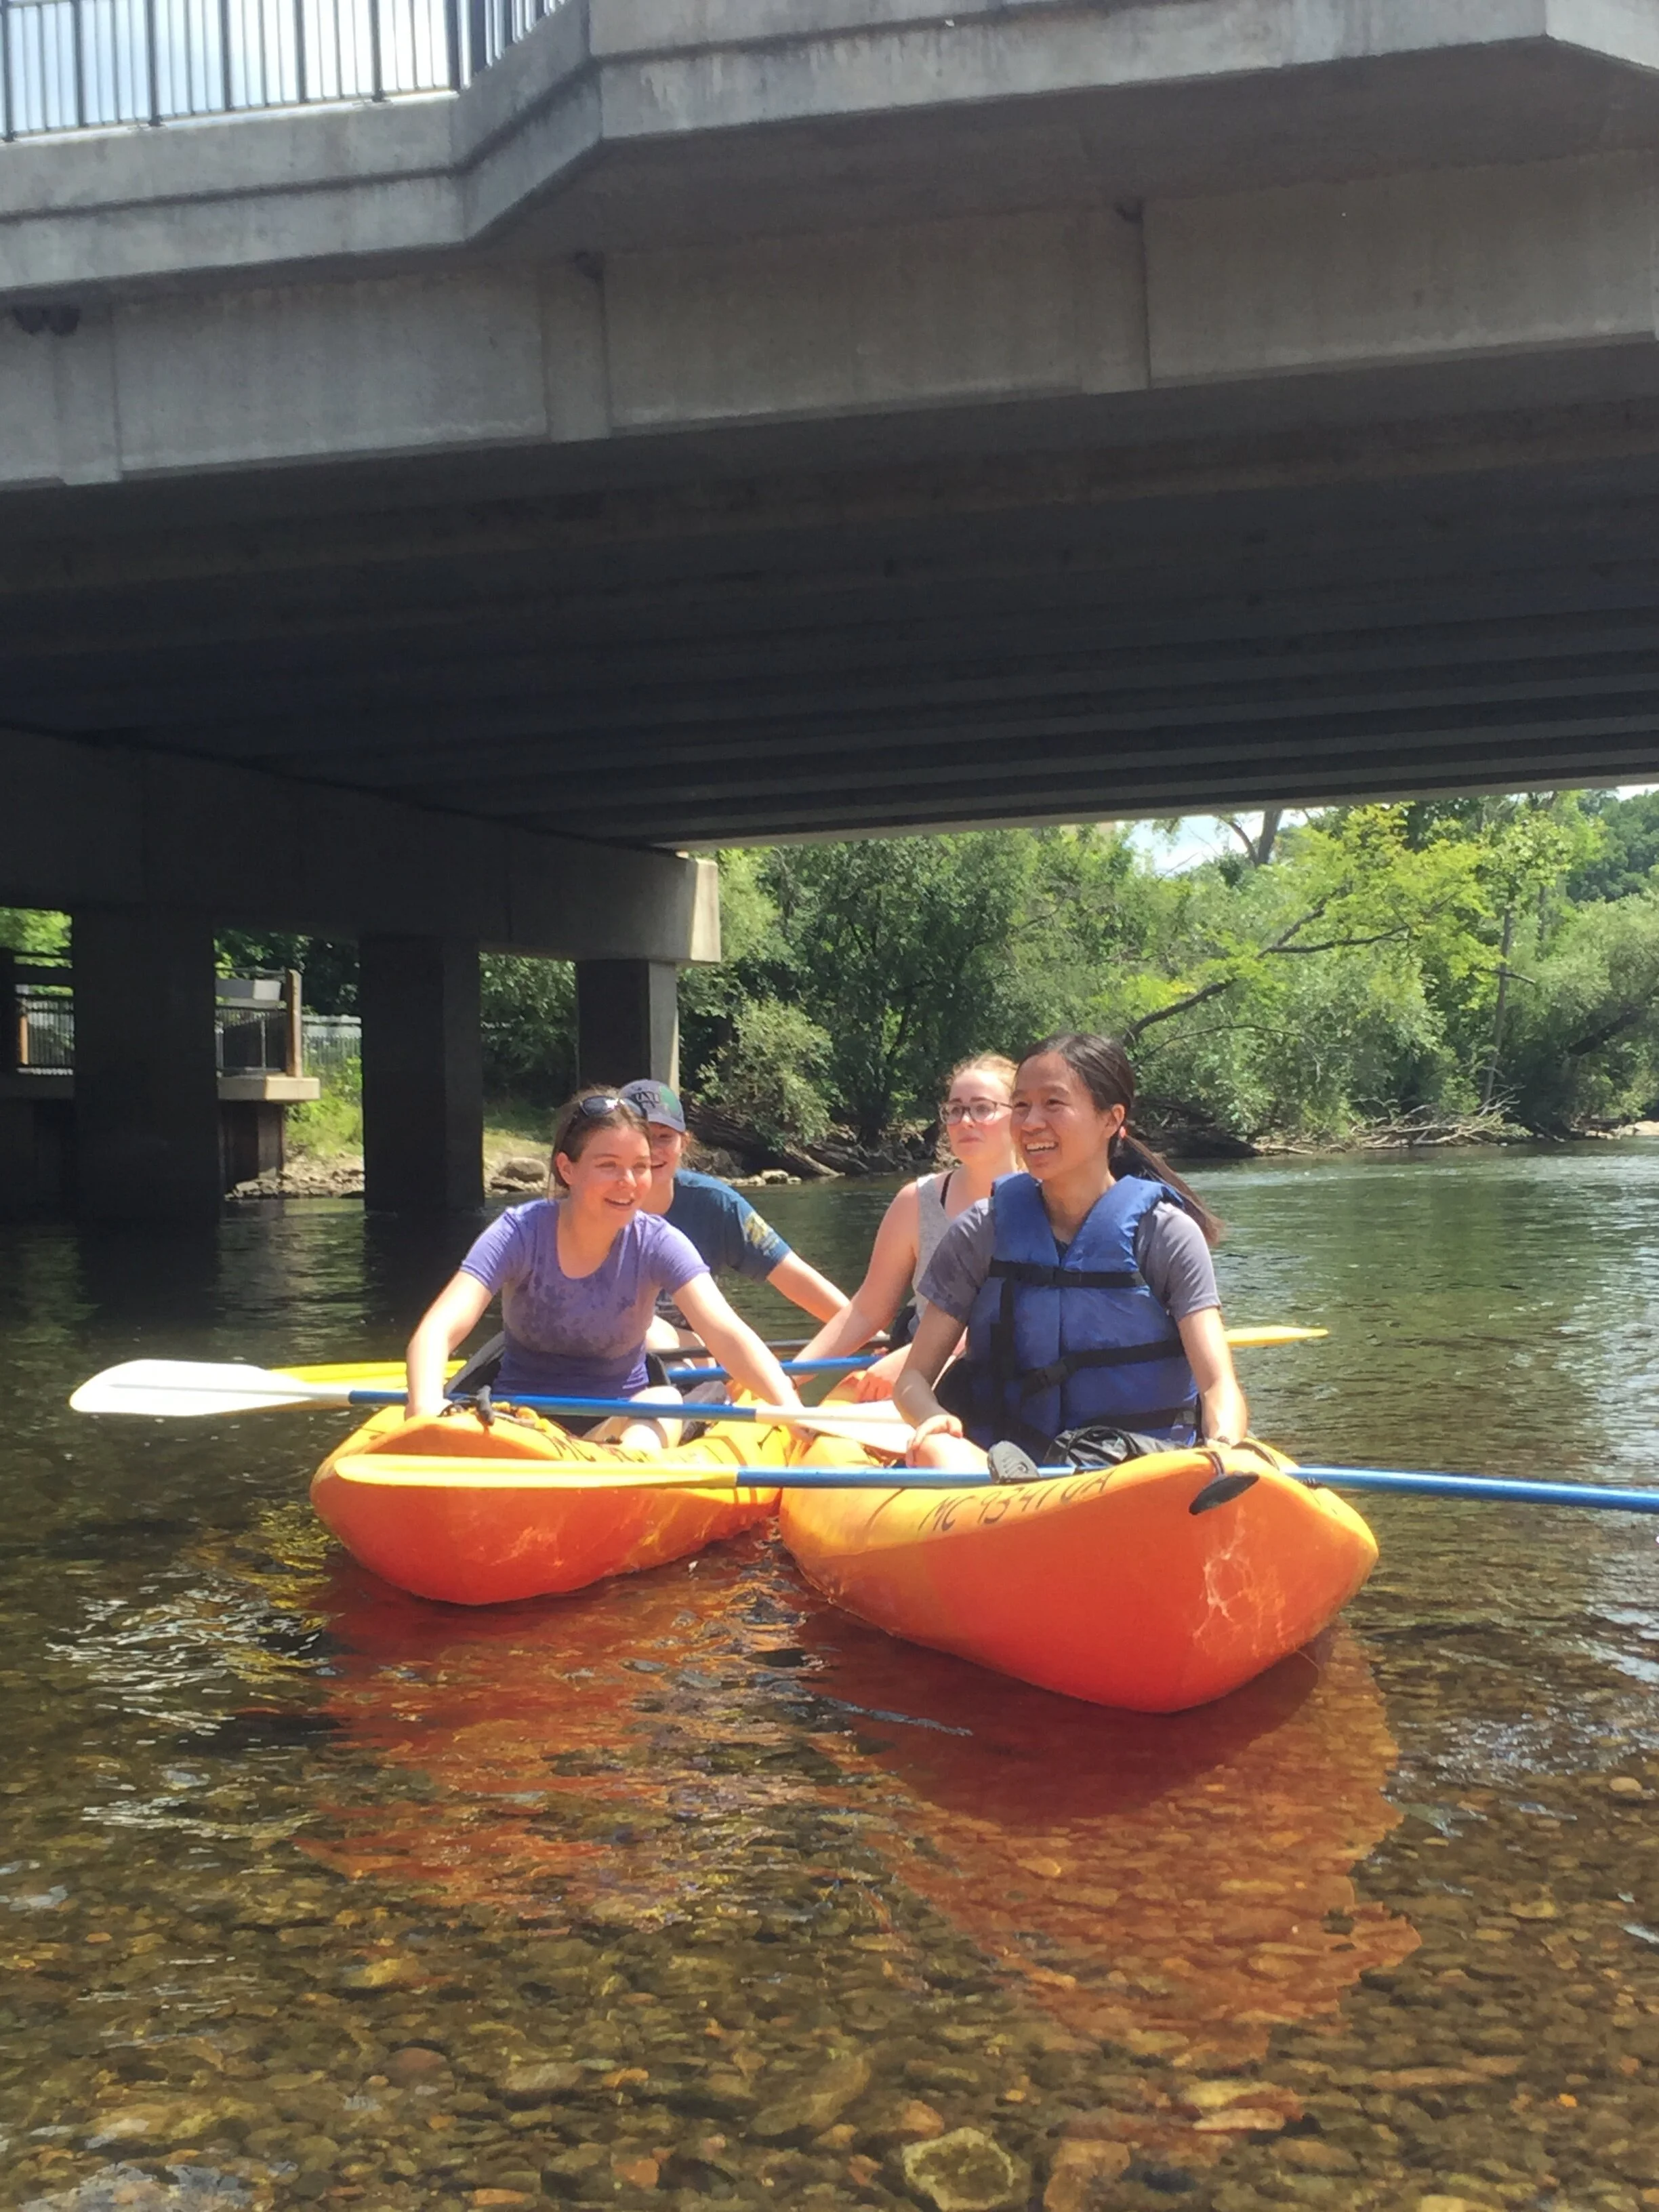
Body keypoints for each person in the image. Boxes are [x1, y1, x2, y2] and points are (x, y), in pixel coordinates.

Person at [893, 1033, 1248, 1473]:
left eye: (1053, 1104)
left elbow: (1219, 1386)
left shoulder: (1166, 1234)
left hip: (1138, 1472)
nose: (1030, 1123)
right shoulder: (981, 1231)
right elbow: (911, 1380)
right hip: (999, 1473)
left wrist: (1224, 1449)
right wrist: (932, 1418)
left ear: (1111, 1119)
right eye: (1021, 1105)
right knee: (935, 1451)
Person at [405, 1090, 802, 1450]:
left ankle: (623, 1473)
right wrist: (424, 1408)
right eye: (608, 1165)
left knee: (664, 1399)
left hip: (616, 1428)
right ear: (568, 1169)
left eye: (640, 1166)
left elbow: (726, 1333)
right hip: (516, 1424)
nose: (628, 1182)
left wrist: (788, 1405)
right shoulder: (519, 1232)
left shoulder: (658, 1242)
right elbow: (440, 1328)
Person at [796, 1054, 1021, 1399]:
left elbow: (1023, 1313)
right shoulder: (916, 1201)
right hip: (914, 1365)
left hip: (1002, 1371)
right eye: (955, 1110)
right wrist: (793, 1376)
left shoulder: (1043, 1201)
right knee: (825, 1444)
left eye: (982, 1108)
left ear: (1017, 1116)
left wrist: (911, 1362)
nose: (965, 1121)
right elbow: (868, 1308)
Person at [618, 1079, 849, 1345]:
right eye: (643, 1137)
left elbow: (792, 1275)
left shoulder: (715, 1203)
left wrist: (871, 1336)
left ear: (684, 1143)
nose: (653, 1150)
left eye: (665, 1137)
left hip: (690, 1355)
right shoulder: (594, 1205)